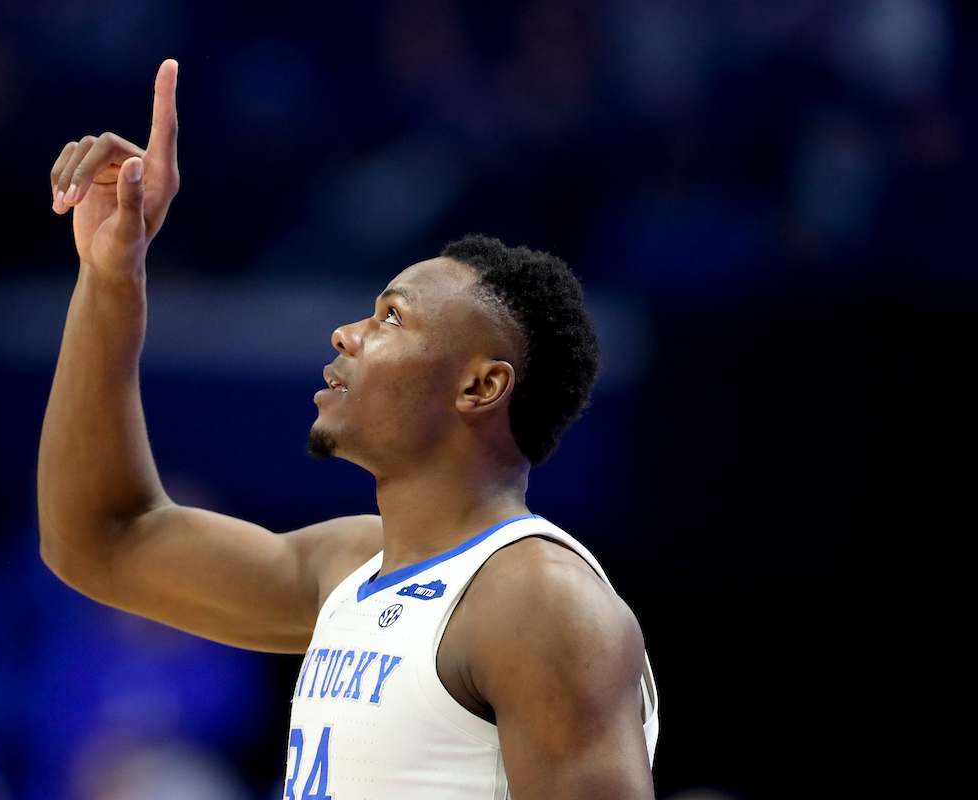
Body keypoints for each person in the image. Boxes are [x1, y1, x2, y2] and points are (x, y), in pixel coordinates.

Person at [38, 59, 658, 800]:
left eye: (392, 317)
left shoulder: (539, 602)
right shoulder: (354, 568)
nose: (346, 333)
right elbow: (100, 541)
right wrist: (111, 273)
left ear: (481, 385)